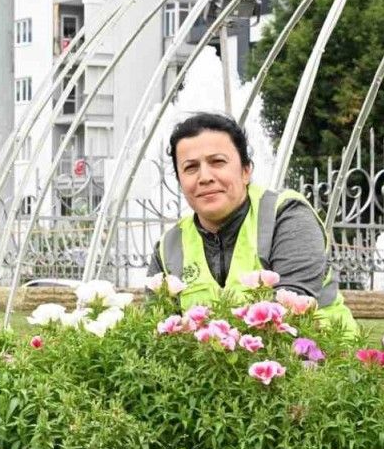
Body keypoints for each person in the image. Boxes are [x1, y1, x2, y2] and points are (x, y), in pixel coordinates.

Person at [148, 113, 356, 333]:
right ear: (180, 182)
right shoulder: (168, 247)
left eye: (217, 162)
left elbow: (289, 313)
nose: (205, 177)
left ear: (246, 171)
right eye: (191, 167)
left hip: (319, 351)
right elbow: (155, 328)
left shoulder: (286, 215)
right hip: (215, 355)